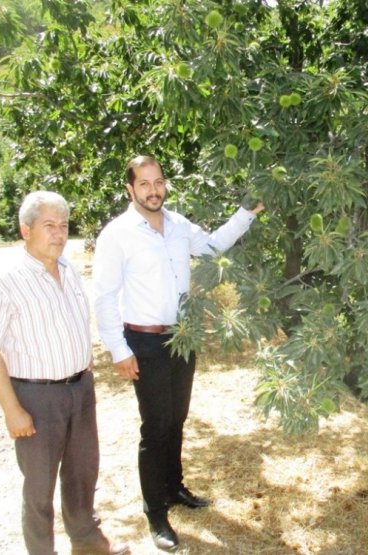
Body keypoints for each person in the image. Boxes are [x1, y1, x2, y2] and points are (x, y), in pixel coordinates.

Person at [93, 155, 264, 552]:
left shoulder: (178, 225)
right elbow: (104, 297)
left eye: (158, 182)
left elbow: (213, 246)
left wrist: (246, 212)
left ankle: (173, 488)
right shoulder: (117, 234)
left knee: (177, 418)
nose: (153, 190)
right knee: (155, 428)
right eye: (144, 184)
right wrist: (118, 349)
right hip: (145, 341)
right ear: (130, 189)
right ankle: (156, 514)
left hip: (182, 337)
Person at [0, 191, 127, 555]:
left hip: (80, 390)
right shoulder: (5, 281)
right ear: (25, 230)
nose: (58, 234)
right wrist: (13, 410)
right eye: (48, 226)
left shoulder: (69, 268)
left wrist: (83, 361)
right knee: (39, 486)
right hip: (36, 397)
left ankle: (88, 543)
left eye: (63, 225)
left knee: (82, 474)